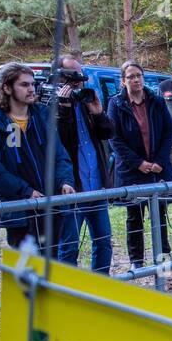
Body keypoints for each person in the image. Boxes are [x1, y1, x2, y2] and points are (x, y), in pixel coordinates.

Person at [0, 61, 77, 255]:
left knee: (51, 267)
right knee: (28, 272)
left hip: (51, 207)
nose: (31, 89)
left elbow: (59, 155)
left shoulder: (43, 115)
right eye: (24, 84)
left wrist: (65, 181)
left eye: (32, 84)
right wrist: (26, 191)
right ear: (6, 87)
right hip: (19, 212)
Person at [106, 61, 172, 271]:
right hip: (132, 171)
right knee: (134, 217)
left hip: (157, 169)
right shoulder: (116, 104)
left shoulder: (156, 101)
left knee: (159, 216)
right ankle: (137, 262)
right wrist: (139, 163)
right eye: (131, 77)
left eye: (139, 75)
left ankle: (163, 261)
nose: (136, 80)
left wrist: (159, 162)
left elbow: (168, 132)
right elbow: (114, 139)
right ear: (123, 81)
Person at [54, 54, 116, 274]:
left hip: (96, 186)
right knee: (68, 247)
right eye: (73, 76)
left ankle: (98, 290)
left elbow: (108, 133)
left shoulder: (87, 100)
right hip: (73, 189)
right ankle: (68, 294)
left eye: (81, 75)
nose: (79, 80)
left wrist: (98, 113)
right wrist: (63, 108)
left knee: (103, 242)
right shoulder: (52, 105)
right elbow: (59, 142)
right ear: (61, 78)